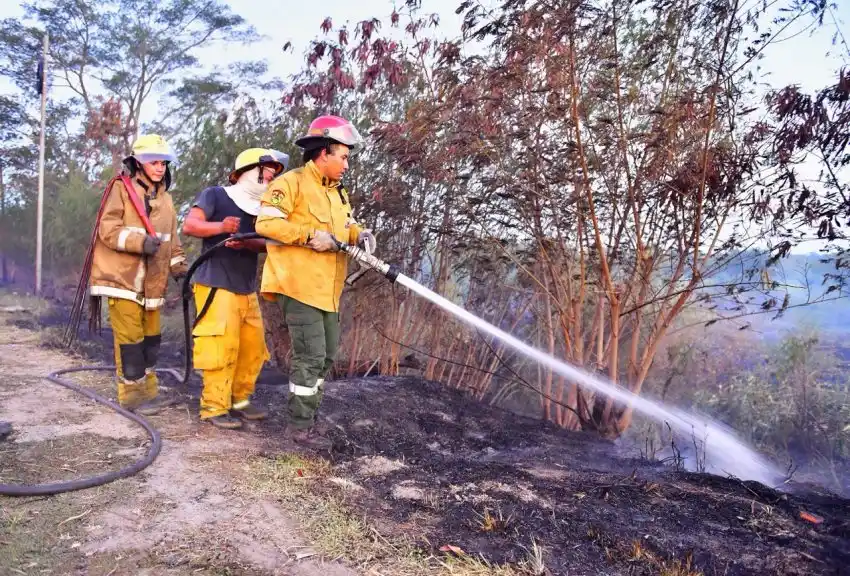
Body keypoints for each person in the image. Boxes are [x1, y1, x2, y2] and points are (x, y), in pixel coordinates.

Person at [255, 115, 376, 449]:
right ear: (323, 153)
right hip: (299, 286)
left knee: (325, 357)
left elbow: (346, 226)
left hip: (328, 291)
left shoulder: (338, 194)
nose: (347, 164)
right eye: (344, 156)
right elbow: (266, 223)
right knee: (310, 356)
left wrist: (360, 234)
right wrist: (309, 235)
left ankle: (309, 416)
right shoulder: (291, 184)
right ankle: (299, 427)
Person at [182, 148, 288, 429]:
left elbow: (270, 243)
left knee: (252, 346)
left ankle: (240, 400)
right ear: (249, 169)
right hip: (215, 283)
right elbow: (190, 225)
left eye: (275, 172)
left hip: (245, 286)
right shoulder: (216, 195)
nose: (272, 176)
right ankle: (214, 407)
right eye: (268, 170)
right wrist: (221, 226)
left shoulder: (263, 210)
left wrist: (246, 242)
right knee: (221, 345)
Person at [89, 134, 188, 415]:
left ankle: (149, 392)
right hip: (123, 279)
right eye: (153, 162)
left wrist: (179, 267)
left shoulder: (166, 199)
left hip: (153, 283)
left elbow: (171, 239)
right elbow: (107, 230)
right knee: (131, 339)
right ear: (138, 163)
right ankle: (133, 397)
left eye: (163, 162)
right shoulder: (121, 190)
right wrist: (139, 242)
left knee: (151, 339)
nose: (159, 167)